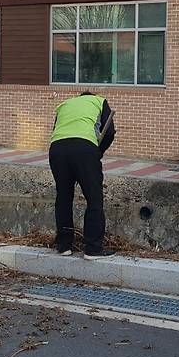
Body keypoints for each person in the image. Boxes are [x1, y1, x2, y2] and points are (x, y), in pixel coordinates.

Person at [49, 91, 116, 260]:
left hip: (57, 149)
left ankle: (64, 245)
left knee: (63, 196)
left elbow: (57, 129)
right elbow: (108, 132)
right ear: (91, 96)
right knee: (94, 198)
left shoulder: (64, 104)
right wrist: (97, 152)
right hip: (84, 148)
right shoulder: (99, 101)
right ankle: (93, 249)